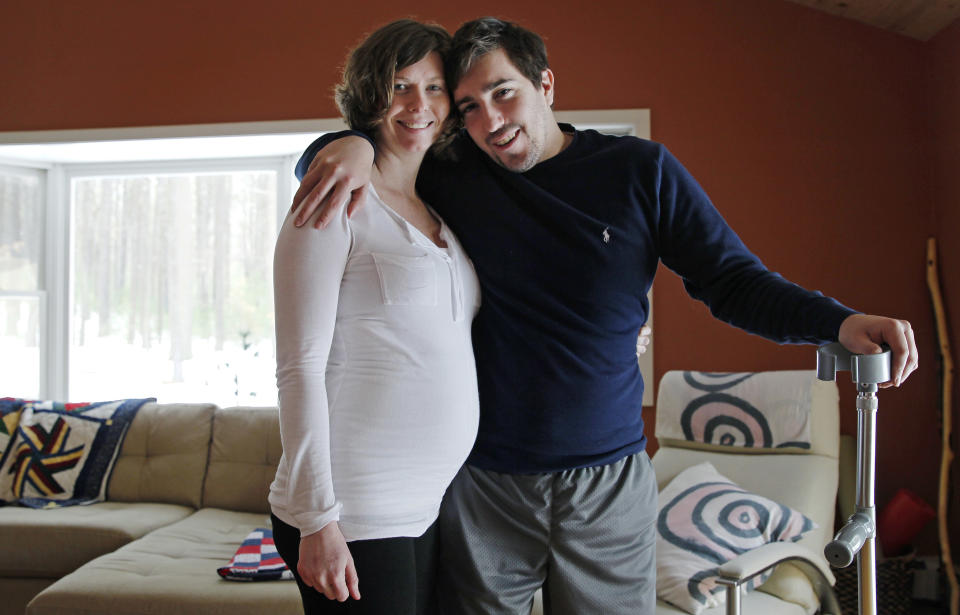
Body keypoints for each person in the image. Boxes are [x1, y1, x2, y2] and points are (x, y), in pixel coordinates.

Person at [289, 17, 919, 615]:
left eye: (502, 93)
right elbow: (379, 155)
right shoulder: (455, 176)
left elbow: (731, 281)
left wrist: (837, 323)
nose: (490, 121)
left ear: (546, 84)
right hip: (485, 485)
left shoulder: (639, 171)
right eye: (470, 106)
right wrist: (344, 144)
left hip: (608, 484)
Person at [268, 19, 481, 615]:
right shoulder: (334, 199)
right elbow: (297, 368)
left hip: (428, 506)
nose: (419, 105)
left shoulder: (439, 206)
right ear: (370, 94)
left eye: (435, 88)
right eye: (400, 86)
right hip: (352, 511)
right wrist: (317, 520)